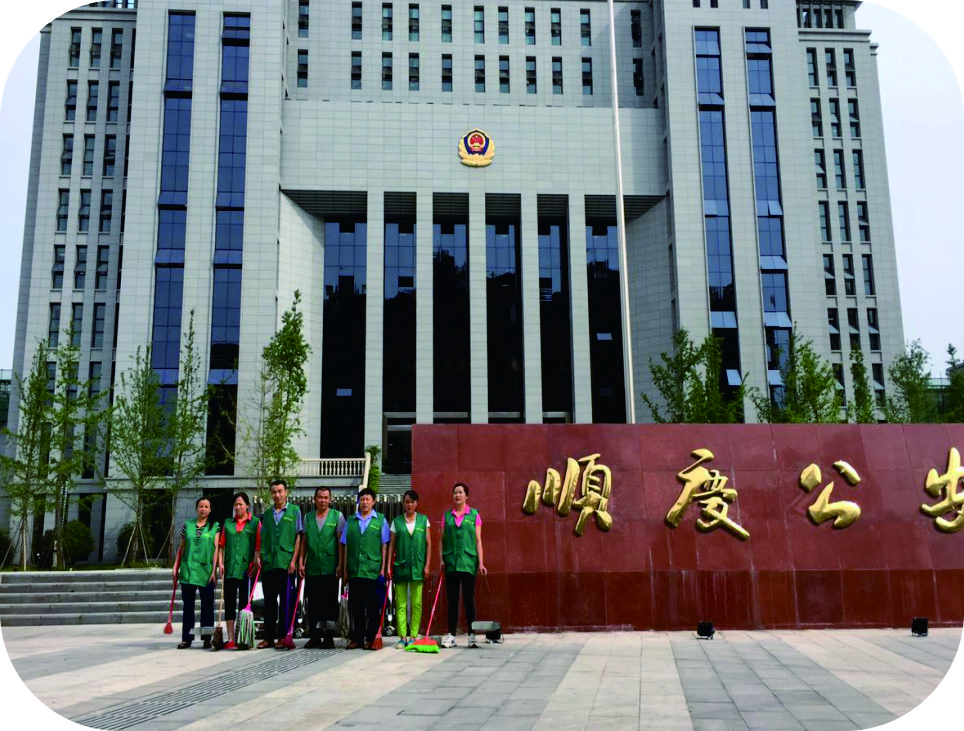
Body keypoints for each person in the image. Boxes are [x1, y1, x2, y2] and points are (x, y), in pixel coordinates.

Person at [254, 479, 303, 649]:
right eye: (274, 492)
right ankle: (269, 637)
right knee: (269, 602)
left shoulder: (295, 511)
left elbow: (298, 536)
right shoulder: (267, 514)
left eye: (280, 491)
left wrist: (294, 560)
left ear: (286, 492)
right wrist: (259, 555)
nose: (277, 495)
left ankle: (283, 636)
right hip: (269, 562)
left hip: (286, 563)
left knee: (285, 602)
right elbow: (264, 536)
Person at [339, 487, 389, 650]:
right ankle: (357, 638)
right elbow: (345, 546)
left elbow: (384, 545)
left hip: (373, 570)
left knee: (373, 607)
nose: (365, 502)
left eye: (368, 499)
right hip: (355, 570)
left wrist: (383, 568)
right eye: (362, 499)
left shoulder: (380, 520)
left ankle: (371, 638)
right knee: (357, 606)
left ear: (373, 502)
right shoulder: (351, 520)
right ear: (358, 502)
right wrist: (345, 570)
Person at [441, 482, 487, 649]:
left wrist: (481, 563)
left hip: (468, 562)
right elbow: (442, 540)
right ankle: (451, 635)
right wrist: (441, 560)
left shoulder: (474, 515)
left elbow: (478, 540)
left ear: (466, 496)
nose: (457, 495)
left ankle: (472, 635)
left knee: (469, 599)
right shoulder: (447, 516)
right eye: (455, 492)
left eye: (460, 492)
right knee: (452, 600)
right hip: (451, 562)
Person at [298, 486, 345, 649]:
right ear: (314, 499)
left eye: (326, 497)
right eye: (320, 497)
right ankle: (315, 636)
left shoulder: (337, 516)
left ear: (330, 499)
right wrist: (301, 561)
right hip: (313, 566)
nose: (323, 500)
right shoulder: (308, 517)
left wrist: (340, 564)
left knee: (329, 603)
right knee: (313, 602)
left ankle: (328, 636)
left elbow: (341, 543)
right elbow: (304, 541)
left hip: (330, 566)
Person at [173, 497, 220, 649]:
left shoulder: (215, 526)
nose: (203, 509)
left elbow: (216, 550)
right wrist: (175, 566)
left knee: (207, 607)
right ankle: (186, 639)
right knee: (188, 607)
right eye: (201, 506)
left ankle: (207, 638)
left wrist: (214, 571)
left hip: (206, 572)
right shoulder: (188, 525)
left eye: (206, 507)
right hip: (188, 570)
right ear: (196, 508)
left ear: (210, 510)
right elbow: (182, 548)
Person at [218, 492, 260, 650]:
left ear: (247, 506)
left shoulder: (255, 523)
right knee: (229, 603)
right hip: (230, 568)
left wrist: (256, 561)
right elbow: (221, 546)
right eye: (235, 504)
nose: (238, 507)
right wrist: (221, 563)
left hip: (246, 570)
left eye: (241, 504)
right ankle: (230, 638)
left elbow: (258, 546)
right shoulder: (227, 523)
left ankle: (243, 637)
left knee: (244, 604)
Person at [388, 489, 430, 649]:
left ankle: (413, 635)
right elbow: (391, 546)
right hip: (400, 567)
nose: (410, 505)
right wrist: (388, 566)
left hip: (418, 567)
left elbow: (429, 544)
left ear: (416, 503)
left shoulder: (424, 521)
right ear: (403, 503)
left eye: (412, 502)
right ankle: (402, 637)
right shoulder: (396, 522)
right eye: (407, 502)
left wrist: (427, 565)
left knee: (417, 603)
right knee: (401, 603)